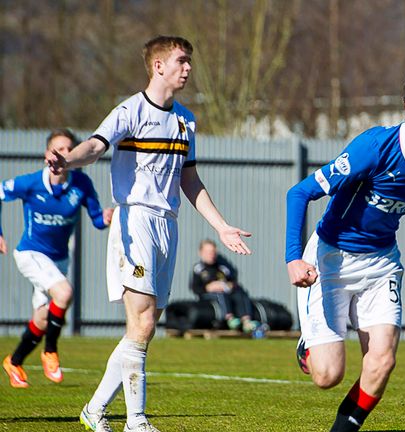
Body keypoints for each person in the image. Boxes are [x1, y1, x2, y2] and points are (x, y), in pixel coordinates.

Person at [46, 35, 252, 432]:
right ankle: (136, 421)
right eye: (181, 61)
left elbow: (189, 179)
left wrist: (221, 225)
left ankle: (94, 409)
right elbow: (93, 145)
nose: (188, 68)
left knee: (145, 327)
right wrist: (68, 159)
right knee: (141, 323)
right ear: (158, 66)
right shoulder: (129, 110)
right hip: (135, 219)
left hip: (167, 225)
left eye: (189, 61)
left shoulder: (186, 119)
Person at [285, 64, 405, 431]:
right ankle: (308, 347)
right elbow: (299, 193)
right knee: (328, 375)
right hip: (331, 260)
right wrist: (293, 259)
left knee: (381, 362)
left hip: (381, 264)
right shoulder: (374, 147)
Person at [0, 129, 113, 389]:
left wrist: (105, 217)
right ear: (46, 156)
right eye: (58, 149)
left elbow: (96, 219)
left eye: (68, 149)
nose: (63, 154)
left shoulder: (81, 184)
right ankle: (50, 350)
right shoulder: (31, 183)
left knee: (41, 318)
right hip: (30, 253)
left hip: (59, 260)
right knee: (64, 293)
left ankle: (14, 361)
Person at [190, 239, 257, 333]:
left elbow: (233, 280)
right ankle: (229, 319)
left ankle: (246, 321)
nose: (211, 254)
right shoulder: (198, 269)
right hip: (208, 297)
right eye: (208, 252)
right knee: (220, 294)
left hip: (226, 293)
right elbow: (195, 288)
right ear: (201, 253)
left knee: (239, 292)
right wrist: (208, 287)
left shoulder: (222, 267)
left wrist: (228, 285)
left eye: (213, 252)